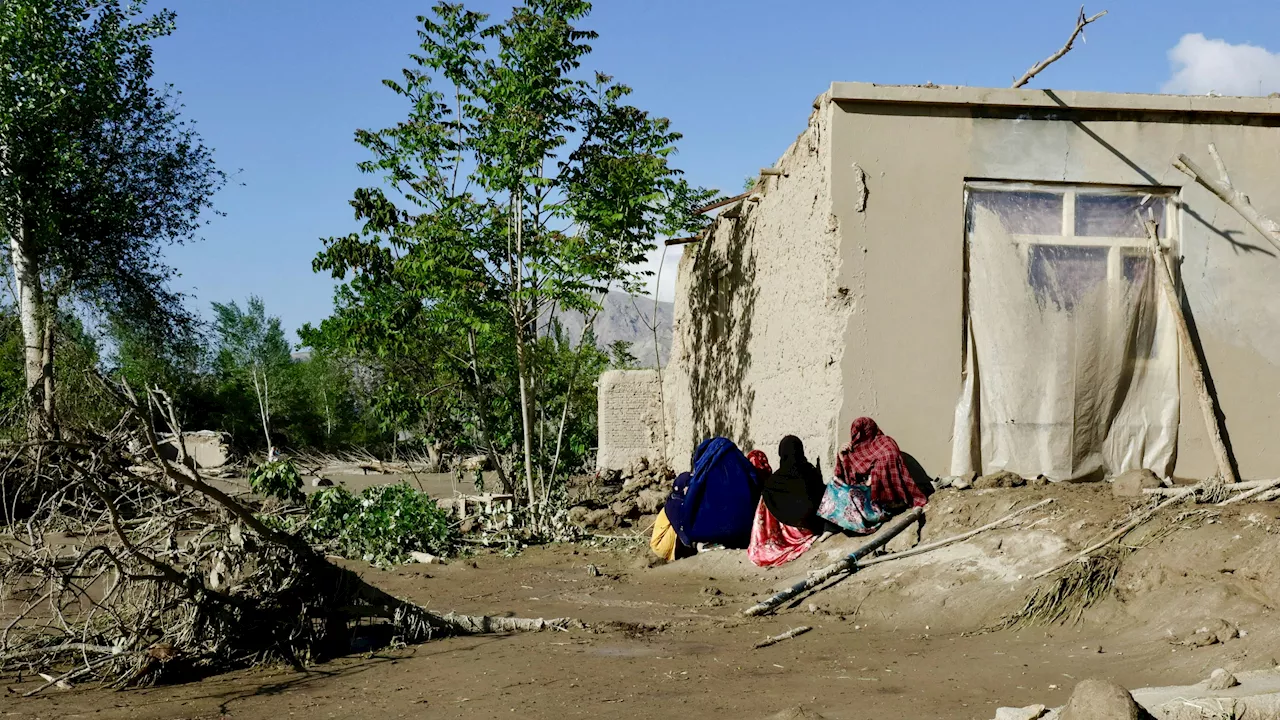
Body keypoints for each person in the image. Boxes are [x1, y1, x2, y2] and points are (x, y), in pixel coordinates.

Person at [819, 417, 926, 535]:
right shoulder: (856, 450)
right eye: (856, 433)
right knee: (834, 485)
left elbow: (890, 465)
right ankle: (831, 528)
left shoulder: (885, 444)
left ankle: (861, 524)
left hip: (885, 500)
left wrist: (874, 478)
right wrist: (841, 456)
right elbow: (847, 479)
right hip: (865, 494)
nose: (858, 437)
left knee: (852, 495)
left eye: (861, 433)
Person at [665, 437, 761, 550]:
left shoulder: (704, 470)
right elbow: (755, 482)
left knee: (672, 503)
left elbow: (691, 499)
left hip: (710, 533)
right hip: (745, 531)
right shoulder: (740, 462)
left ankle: (696, 545)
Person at [748, 436, 828, 567]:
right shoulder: (812, 473)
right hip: (811, 528)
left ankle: (769, 540)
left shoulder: (773, 482)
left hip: (790, 531)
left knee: (765, 497)